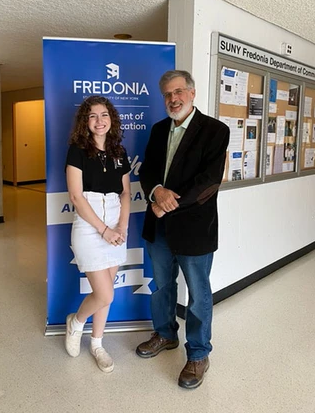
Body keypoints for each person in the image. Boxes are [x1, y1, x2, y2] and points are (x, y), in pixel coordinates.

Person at [136, 70, 230, 389]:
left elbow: (208, 182)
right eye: (166, 94)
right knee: (162, 286)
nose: (172, 99)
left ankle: (199, 353)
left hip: (194, 227)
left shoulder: (216, 130)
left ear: (191, 93)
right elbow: (147, 171)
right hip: (159, 226)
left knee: (198, 294)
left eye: (178, 92)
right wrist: (156, 192)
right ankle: (165, 334)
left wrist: (165, 203)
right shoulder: (159, 129)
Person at [65, 95, 131, 373]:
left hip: (116, 222)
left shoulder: (119, 151)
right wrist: (103, 230)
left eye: (104, 115)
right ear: (85, 121)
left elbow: (126, 192)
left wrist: (121, 228)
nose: (99, 120)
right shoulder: (77, 150)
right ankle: (76, 322)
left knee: (106, 291)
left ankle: (97, 344)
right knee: (104, 295)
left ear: (111, 118)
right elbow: (77, 197)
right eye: (92, 116)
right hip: (89, 224)